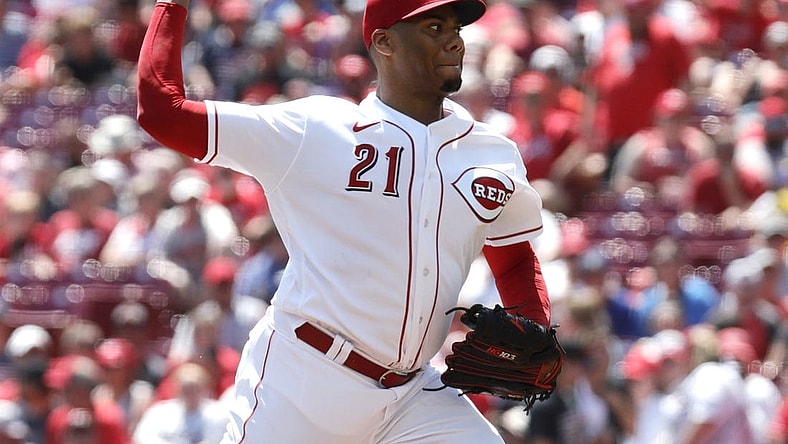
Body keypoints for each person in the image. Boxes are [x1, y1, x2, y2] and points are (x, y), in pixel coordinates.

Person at [136, 0, 553, 442]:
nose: (454, 39)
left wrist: (534, 329)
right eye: (434, 26)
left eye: (455, 27)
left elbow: (512, 259)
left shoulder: (491, 153)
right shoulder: (314, 129)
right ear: (384, 41)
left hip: (413, 394)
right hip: (304, 381)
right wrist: (172, 5)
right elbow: (163, 111)